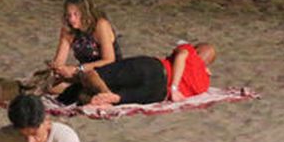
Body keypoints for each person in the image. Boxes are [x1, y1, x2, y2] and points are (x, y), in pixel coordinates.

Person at [70, 41, 216, 106]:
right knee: (118, 96)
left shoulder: (190, 51)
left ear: (197, 50)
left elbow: (182, 55)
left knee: (93, 74)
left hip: (156, 69)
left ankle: (103, 91)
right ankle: (110, 98)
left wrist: (174, 87)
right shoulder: (204, 83)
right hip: (158, 93)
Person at [46, 0, 121, 93]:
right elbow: (60, 60)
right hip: (84, 72)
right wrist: (58, 69)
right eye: (69, 15)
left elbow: (109, 60)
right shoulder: (68, 30)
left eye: (76, 14)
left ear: (84, 13)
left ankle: (106, 94)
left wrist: (78, 69)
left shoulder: (100, 25)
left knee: (89, 77)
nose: (72, 19)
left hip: (107, 71)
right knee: (51, 86)